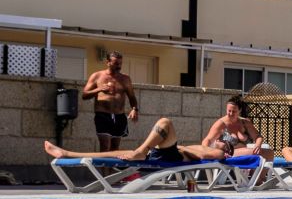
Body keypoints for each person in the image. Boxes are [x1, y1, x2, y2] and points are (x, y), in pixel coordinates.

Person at [45, 117, 224, 163]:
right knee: (111, 153)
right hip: (166, 153)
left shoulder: (220, 152)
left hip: (175, 156)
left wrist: (184, 150)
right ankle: (66, 153)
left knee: (165, 123)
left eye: (224, 141)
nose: (220, 140)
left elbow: (201, 159)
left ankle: (141, 151)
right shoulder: (205, 145)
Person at [82, 51, 139, 152]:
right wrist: (99, 89)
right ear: (108, 62)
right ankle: (103, 168)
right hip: (103, 115)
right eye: (116, 63)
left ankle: (111, 168)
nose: (119, 66)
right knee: (104, 146)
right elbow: (84, 95)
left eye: (120, 63)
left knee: (115, 148)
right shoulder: (97, 76)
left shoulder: (125, 79)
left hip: (119, 116)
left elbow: (132, 97)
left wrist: (134, 109)